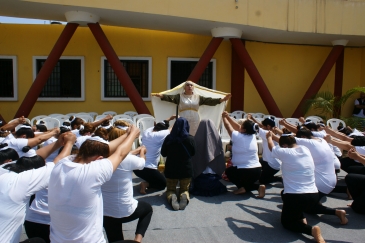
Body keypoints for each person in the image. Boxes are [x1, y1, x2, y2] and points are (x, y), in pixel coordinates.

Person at [48, 125, 139, 242]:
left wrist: (127, 135)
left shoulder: (61, 164)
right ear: (99, 159)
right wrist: (132, 135)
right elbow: (120, 154)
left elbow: (108, 149)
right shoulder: (92, 172)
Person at [0, 132, 76, 243]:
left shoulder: (4, 171)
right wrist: (69, 143)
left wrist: (58, 143)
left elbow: (31, 159)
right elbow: (57, 164)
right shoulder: (18, 182)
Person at [266, 131, 325, 243]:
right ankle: (300, 216)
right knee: (284, 193)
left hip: (296, 197)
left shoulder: (285, 152)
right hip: (313, 196)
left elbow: (271, 148)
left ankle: (311, 230)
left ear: (284, 146)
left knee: (286, 223)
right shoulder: (305, 149)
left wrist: (269, 137)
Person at [102, 144, 152, 243]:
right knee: (147, 209)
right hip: (126, 211)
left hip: (105, 213)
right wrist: (141, 151)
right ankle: (137, 240)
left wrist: (135, 151)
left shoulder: (99, 160)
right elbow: (142, 163)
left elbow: (117, 154)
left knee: (116, 240)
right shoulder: (127, 160)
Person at [152, 81, 231, 135]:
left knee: (194, 133)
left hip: (195, 118)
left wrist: (222, 99)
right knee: (182, 132)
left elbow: (209, 101)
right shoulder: (179, 97)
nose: (189, 86)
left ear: (193, 87)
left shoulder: (198, 97)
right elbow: (169, 97)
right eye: (187, 85)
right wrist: (161, 96)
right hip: (183, 117)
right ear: (184, 87)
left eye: (191, 85)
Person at [221, 111, 265, 198]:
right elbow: (238, 127)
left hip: (244, 171)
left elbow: (228, 127)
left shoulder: (237, 136)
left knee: (229, 171)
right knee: (243, 175)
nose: (240, 126)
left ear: (244, 130)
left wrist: (224, 118)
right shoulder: (252, 136)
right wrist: (228, 117)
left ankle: (247, 187)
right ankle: (250, 187)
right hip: (257, 171)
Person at [161, 117, 196, 210]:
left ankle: (171, 196)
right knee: (185, 189)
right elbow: (193, 153)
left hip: (171, 169)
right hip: (186, 169)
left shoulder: (169, 138)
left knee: (170, 189)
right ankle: (184, 195)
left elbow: (163, 153)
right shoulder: (190, 138)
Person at [134, 117, 175, 194]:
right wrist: (177, 119)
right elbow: (172, 128)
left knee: (155, 176)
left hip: (136, 166)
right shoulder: (160, 135)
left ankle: (149, 180)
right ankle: (146, 184)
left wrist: (169, 118)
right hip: (146, 168)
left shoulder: (147, 132)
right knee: (163, 184)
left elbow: (158, 125)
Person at [189, 119, 227, 196]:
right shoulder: (217, 138)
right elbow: (221, 154)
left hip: (200, 178)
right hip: (214, 179)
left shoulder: (196, 139)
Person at [247, 114, 282, 184]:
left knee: (262, 180)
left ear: (268, 126)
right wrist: (253, 118)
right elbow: (260, 125)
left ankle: (279, 179)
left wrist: (248, 118)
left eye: (263, 126)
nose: (262, 127)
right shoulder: (274, 132)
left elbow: (254, 126)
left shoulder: (266, 133)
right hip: (268, 160)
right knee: (256, 163)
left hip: (273, 164)